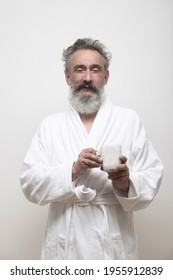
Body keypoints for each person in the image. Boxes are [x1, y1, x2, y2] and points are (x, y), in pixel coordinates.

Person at [20, 38, 163, 260]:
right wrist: (73, 170)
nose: (87, 78)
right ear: (68, 77)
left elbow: (152, 177)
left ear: (105, 77)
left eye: (95, 69)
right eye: (80, 69)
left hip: (112, 241)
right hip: (64, 241)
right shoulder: (50, 125)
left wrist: (125, 181)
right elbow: (29, 184)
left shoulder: (129, 120)